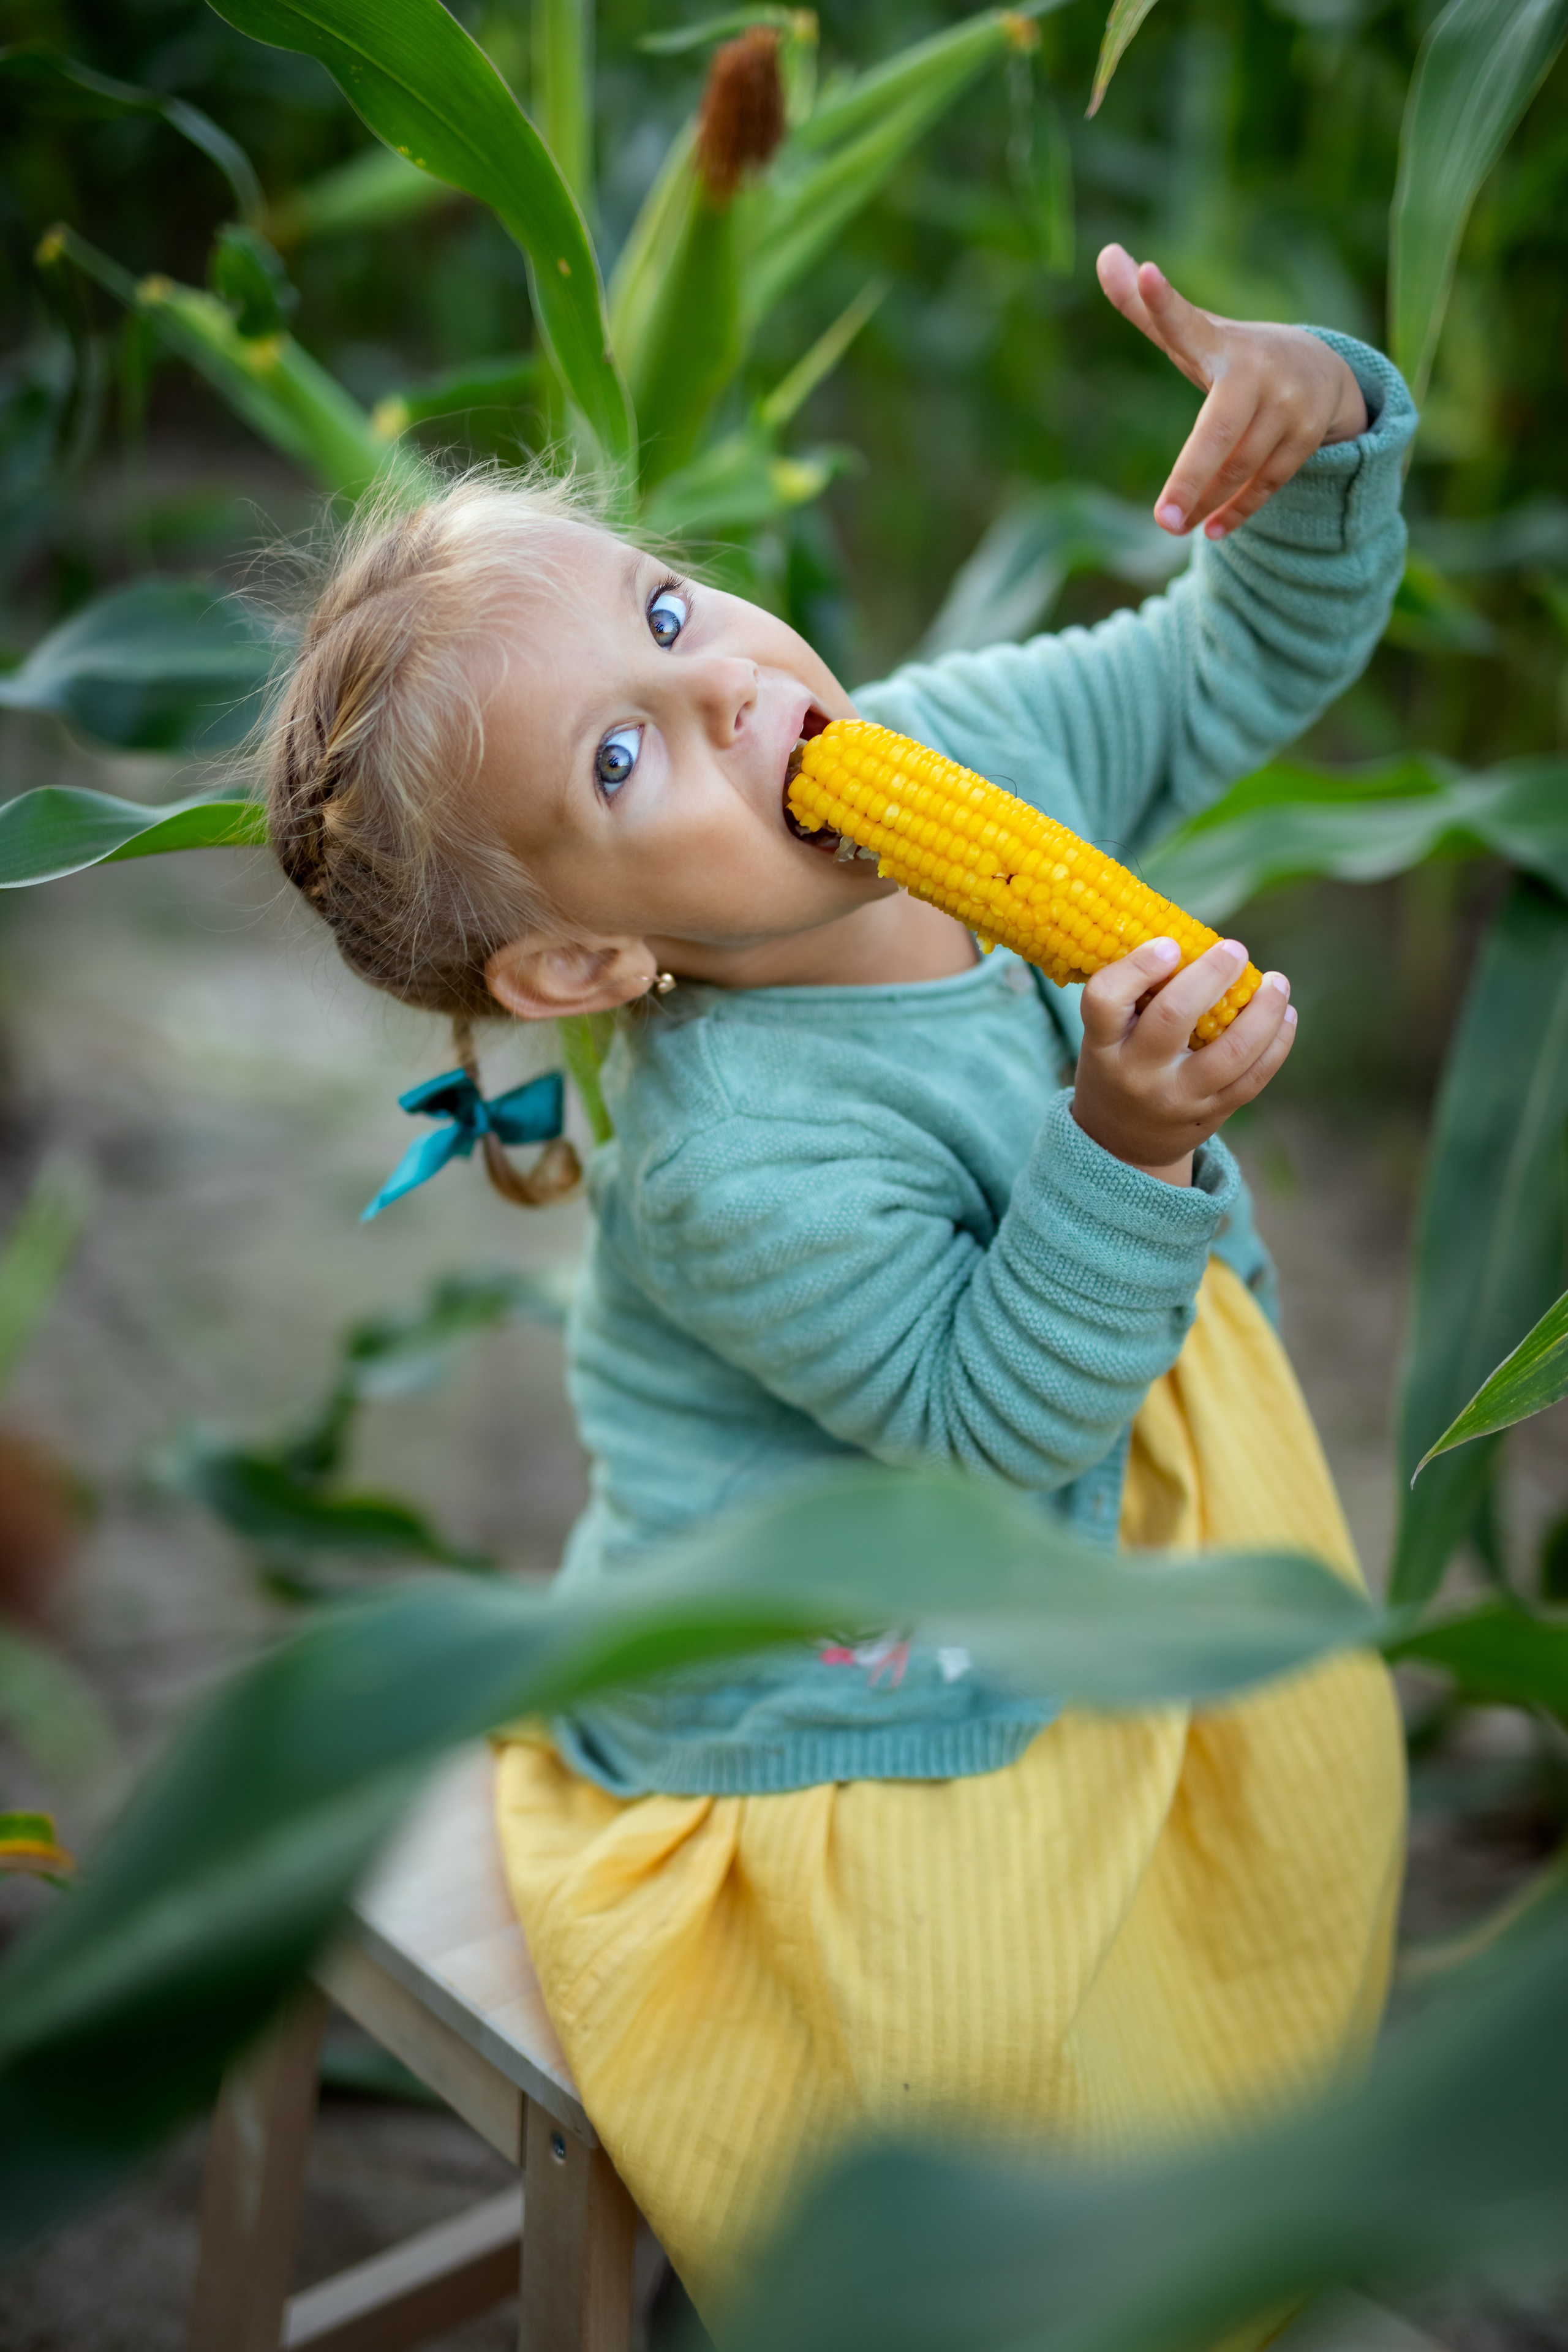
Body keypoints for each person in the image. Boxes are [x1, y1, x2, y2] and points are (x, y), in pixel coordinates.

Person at [266, 247, 1414, 2331]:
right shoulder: (726, 1157)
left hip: (1099, 1512)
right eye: (623, 766)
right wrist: (1123, 1143)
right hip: (855, 1675)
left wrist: (1318, 428)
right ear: (586, 969)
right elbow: (993, 1428)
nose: (722, 694)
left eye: (671, 613)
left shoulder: (960, 740)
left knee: (1277, 1864)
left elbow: (1237, 663)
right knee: (962, 2067)